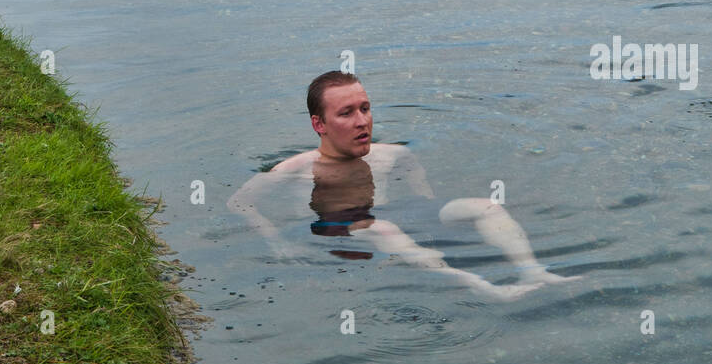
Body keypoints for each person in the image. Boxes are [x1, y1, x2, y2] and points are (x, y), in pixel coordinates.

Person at [227, 71, 579, 301]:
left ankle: (533, 271)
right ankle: (485, 287)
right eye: (346, 113)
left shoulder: (392, 155)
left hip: (392, 214)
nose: (362, 121)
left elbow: (419, 187)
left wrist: (431, 220)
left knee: (485, 206)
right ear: (319, 124)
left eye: (365, 108)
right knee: (384, 228)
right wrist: (275, 241)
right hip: (338, 227)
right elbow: (240, 203)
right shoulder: (296, 167)